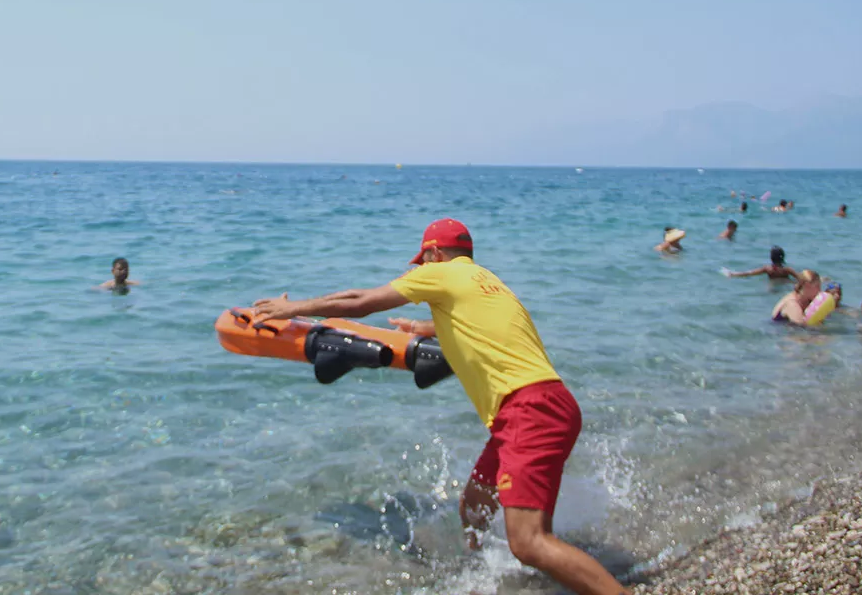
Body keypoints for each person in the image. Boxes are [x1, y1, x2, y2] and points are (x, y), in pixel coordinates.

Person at [252, 219, 630, 595]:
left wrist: (294, 308)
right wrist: (423, 328)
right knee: (476, 503)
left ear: (434, 254)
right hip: (548, 403)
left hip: (527, 409)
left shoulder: (440, 273)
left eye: (423, 261)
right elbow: (477, 322)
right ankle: (486, 574)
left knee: (529, 542)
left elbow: (359, 300)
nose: (421, 269)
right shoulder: (487, 281)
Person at [726, 246, 798, 281]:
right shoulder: (787, 270)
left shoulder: (768, 269)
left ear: (771, 257)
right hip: (785, 285)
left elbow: (750, 273)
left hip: (772, 286)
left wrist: (733, 274)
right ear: (782, 257)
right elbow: (800, 278)